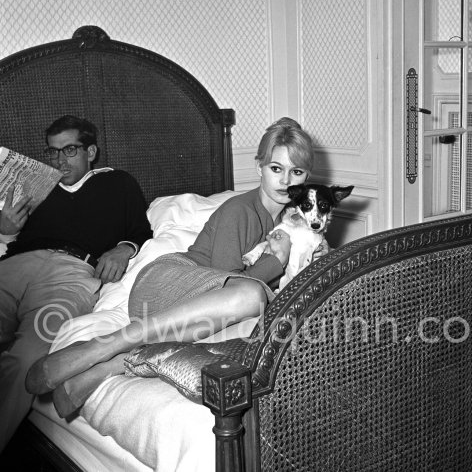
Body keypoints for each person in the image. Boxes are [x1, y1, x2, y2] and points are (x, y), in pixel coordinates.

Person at [25, 117, 320, 417]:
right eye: (275, 169)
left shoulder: (297, 221)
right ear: (259, 168)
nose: (285, 182)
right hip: (166, 283)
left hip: (193, 316)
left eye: (296, 172)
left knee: (254, 335)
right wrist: (277, 261)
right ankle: (106, 344)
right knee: (251, 299)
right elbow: (225, 282)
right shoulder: (241, 211)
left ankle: (110, 367)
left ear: (307, 176)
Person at [0, 115, 152, 453]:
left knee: (27, 359)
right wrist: (5, 229)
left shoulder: (118, 184)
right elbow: (8, 237)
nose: (59, 160)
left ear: (91, 151)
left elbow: (140, 232)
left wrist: (123, 249)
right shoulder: (35, 186)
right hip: (17, 263)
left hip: (72, 273)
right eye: (53, 152)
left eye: (69, 150)